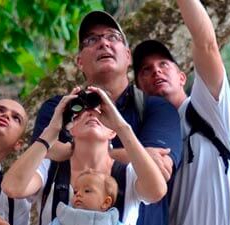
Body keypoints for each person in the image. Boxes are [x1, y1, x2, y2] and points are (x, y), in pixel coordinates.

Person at [28, 10, 182, 225]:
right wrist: (138, 154)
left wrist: (80, 150)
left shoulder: (156, 108)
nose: (103, 43)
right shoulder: (59, 107)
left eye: (112, 37)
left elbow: (160, 169)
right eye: (92, 39)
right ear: (79, 61)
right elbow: (43, 153)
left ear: (127, 56)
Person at [132, 0, 230, 224]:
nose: (156, 71)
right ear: (139, 88)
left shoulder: (209, 106)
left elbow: (206, 42)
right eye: (145, 70)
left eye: (164, 64)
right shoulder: (144, 135)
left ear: (182, 77)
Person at [2, 86, 167, 225]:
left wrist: (122, 127)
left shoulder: (128, 173)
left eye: (101, 112)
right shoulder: (50, 169)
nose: (91, 113)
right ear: (70, 128)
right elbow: (12, 188)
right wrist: (51, 131)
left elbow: (156, 192)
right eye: (81, 112)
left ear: (112, 132)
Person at [50, 169, 123, 225]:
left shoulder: (113, 222)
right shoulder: (63, 218)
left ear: (106, 202)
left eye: (87, 191)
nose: (78, 194)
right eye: (75, 192)